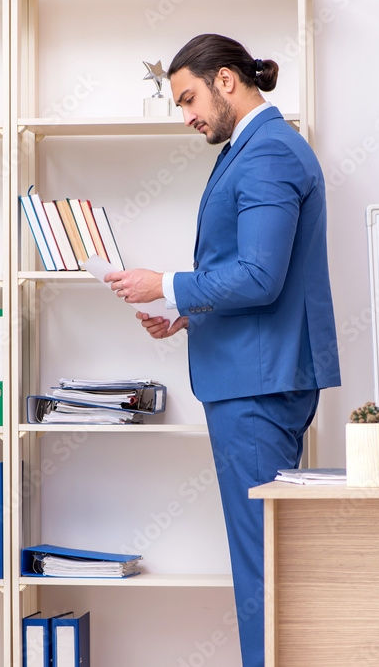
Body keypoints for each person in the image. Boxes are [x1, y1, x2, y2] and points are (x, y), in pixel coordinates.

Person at [104, 34, 341, 666]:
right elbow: (250, 271)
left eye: (188, 99)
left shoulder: (266, 153)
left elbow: (261, 277)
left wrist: (169, 284)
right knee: (260, 556)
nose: (186, 116)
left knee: (259, 563)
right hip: (248, 375)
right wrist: (186, 311)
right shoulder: (251, 149)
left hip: (256, 386)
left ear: (227, 79)